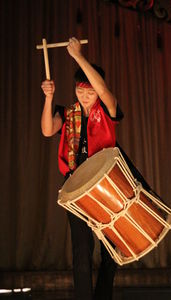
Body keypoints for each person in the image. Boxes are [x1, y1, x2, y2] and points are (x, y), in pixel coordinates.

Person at [41, 37, 124, 300]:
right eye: (80, 90)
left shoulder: (108, 109)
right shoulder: (67, 114)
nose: (85, 96)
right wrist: (49, 97)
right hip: (76, 187)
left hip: (107, 184)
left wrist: (78, 57)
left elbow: (104, 92)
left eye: (90, 91)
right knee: (81, 251)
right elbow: (46, 130)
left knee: (111, 250)